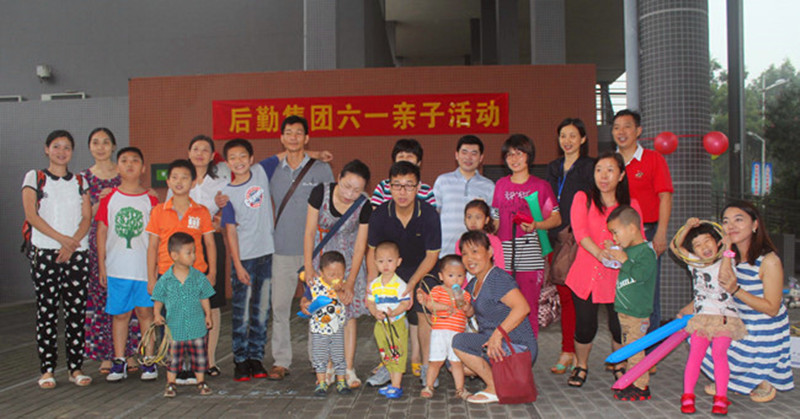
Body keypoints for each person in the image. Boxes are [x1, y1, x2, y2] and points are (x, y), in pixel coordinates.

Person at [680, 201, 794, 403]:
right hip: (735, 317)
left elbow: (772, 309)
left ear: (755, 225)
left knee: (720, 343)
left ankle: (760, 378)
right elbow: (713, 291)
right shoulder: (727, 257)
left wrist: (736, 290)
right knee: (698, 334)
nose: (731, 226)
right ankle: (730, 380)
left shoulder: (769, 261)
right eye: (726, 221)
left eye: (738, 220)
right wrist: (688, 310)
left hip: (763, 329)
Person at [564, 151, 643, 388]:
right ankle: (581, 365)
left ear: (621, 175)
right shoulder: (583, 199)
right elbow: (580, 233)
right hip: (586, 273)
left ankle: (619, 364)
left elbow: (638, 241)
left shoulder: (631, 205)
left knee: (619, 327)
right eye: (599, 170)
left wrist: (620, 248)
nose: (603, 176)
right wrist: (599, 253)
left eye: (610, 170)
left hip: (619, 277)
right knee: (585, 326)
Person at [265, 116, 334, 381]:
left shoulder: (322, 169)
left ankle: (318, 360)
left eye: (298, 133)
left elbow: (330, 206)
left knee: (317, 306)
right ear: (281, 138)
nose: (293, 137)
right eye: (288, 132)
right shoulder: (272, 169)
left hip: (314, 252)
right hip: (281, 249)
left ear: (306, 138)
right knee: (280, 307)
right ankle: (281, 361)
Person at [22, 129, 92, 389]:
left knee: (76, 313)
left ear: (72, 152)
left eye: (67, 147)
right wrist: (63, 240)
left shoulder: (80, 181)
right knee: (47, 312)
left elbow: (87, 217)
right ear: (46, 149)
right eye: (56, 146)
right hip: (46, 253)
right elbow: (32, 215)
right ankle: (47, 370)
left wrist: (72, 244)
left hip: (76, 254)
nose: (61, 152)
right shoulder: (35, 177)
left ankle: (76, 368)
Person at [366, 161, 441, 388]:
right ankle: (389, 366)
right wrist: (372, 284)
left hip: (422, 270)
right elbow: (372, 252)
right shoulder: (380, 214)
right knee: (385, 316)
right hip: (390, 270)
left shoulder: (429, 214)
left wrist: (412, 284)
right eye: (397, 185)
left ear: (418, 187)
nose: (403, 191)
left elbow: (432, 255)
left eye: (409, 185)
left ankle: (427, 367)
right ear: (389, 187)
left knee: (424, 312)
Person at [145, 159, 216, 384]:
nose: (179, 182)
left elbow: (210, 244)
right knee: (170, 323)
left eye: (185, 177)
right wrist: (151, 278)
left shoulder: (201, 211)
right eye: (174, 177)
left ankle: (194, 368)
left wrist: (212, 273)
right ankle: (174, 368)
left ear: (193, 182)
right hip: (167, 277)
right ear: (167, 181)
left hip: (195, 277)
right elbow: (152, 247)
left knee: (195, 322)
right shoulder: (158, 211)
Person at [303, 159, 372, 388]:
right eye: (346, 186)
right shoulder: (319, 193)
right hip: (322, 259)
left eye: (357, 190)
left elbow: (361, 245)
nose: (350, 194)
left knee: (348, 314)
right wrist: (309, 266)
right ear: (338, 178)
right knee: (324, 312)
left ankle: (348, 368)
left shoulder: (364, 205)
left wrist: (350, 282)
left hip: (349, 261)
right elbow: (309, 232)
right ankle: (328, 366)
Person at [96, 147, 160, 382]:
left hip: (144, 269)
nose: (130, 164)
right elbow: (102, 231)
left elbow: (157, 236)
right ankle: (119, 360)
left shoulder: (151, 199)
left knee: (145, 314)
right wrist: (102, 265)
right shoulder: (109, 198)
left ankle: (149, 360)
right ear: (117, 167)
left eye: (135, 160)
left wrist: (155, 270)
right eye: (124, 160)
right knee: (120, 315)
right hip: (117, 268)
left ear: (143, 168)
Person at [671, 218, 747, 415]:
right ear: (694, 251)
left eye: (707, 241)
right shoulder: (695, 263)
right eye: (697, 245)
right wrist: (687, 227)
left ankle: (720, 398)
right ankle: (688, 396)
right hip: (702, 318)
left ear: (717, 242)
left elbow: (725, 277)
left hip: (724, 319)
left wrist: (728, 250)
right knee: (695, 356)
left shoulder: (728, 260)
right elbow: (675, 246)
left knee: (719, 355)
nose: (704, 247)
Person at [80, 127, 140, 374]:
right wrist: (99, 203)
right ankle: (106, 354)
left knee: (130, 297)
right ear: (89, 147)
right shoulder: (83, 178)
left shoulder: (124, 170)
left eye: (106, 142)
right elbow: (82, 216)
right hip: (97, 244)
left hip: (126, 243)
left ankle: (131, 353)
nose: (101, 147)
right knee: (102, 298)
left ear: (114, 146)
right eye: (95, 142)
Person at [452, 231, 537, 404]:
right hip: (492, 341)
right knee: (456, 365)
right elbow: (473, 312)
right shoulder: (473, 284)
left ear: (490, 252)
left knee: (459, 342)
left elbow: (522, 308)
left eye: (475, 251)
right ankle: (508, 378)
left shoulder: (497, 278)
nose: (469, 258)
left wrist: (497, 335)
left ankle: (494, 387)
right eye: (465, 254)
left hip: (515, 343)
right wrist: (467, 309)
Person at [173, 134, 231, 377]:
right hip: (182, 248)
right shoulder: (179, 180)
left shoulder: (221, 183)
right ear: (188, 153)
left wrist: (220, 216)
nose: (199, 153)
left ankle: (209, 359)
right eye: (195, 149)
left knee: (211, 303)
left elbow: (230, 216)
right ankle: (187, 359)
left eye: (205, 149)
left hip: (210, 245)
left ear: (212, 155)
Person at [612, 109, 673, 339]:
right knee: (622, 291)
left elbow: (665, 197)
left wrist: (661, 233)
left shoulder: (653, 159)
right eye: (616, 127)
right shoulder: (611, 163)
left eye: (627, 126)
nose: (621, 132)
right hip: (617, 237)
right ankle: (626, 344)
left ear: (638, 131)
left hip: (646, 234)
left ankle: (650, 349)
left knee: (646, 293)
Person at [493, 134, 561, 337]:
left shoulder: (541, 186)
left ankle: (528, 352)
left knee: (529, 307)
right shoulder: (501, 185)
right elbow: (495, 220)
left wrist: (537, 225)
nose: (514, 159)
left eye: (519, 154)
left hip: (531, 255)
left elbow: (556, 218)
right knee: (504, 308)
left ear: (528, 156)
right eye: (509, 155)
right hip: (504, 255)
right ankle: (507, 350)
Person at [220, 139, 274, 382]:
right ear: (227, 163)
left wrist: (317, 153)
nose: (238, 161)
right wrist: (238, 264)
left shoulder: (261, 172)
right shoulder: (227, 194)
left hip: (267, 255)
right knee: (241, 313)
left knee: (261, 310)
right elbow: (230, 231)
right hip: (245, 259)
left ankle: (256, 358)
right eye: (233, 157)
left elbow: (285, 154)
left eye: (243, 156)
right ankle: (240, 360)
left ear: (251, 159)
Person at [545, 118, 594, 375]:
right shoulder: (553, 168)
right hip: (556, 239)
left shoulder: (590, 167)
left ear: (583, 139)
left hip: (581, 240)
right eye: (563, 135)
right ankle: (566, 350)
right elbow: (546, 204)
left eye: (573, 135)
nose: (567, 141)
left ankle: (580, 352)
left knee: (580, 297)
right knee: (564, 297)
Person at [152, 232, 216, 398]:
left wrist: (208, 315)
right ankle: (171, 383)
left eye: (194, 252)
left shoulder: (198, 277)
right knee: (173, 358)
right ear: (174, 256)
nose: (193, 256)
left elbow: (204, 297)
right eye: (189, 253)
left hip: (197, 326)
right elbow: (158, 298)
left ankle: (201, 381)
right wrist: (157, 314)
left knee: (199, 356)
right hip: (175, 328)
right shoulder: (165, 279)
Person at [604, 205, 658, 401]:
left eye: (615, 232)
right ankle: (633, 381)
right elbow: (615, 264)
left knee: (635, 351)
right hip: (625, 310)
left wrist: (624, 260)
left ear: (632, 228)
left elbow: (641, 275)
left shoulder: (646, 252)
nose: (614, 238)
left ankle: (640, 386)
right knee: (630, 349)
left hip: (637, 312)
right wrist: (611, 253)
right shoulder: (628, 250)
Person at [415, 255, 472, 399]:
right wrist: (446, 307)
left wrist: (467, 307)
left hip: (457, 334)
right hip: (439, 332)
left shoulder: (464, 294)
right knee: (435, 361)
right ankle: (429, 386)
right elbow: (430, 305)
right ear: (441, 276)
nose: (455, 280)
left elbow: (470, 313)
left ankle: (460, 389)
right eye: (451, 275)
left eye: (460, 276)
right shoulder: (438, 290)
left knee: (456, 362)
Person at [433, 135, 495, 256]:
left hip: (476, 255)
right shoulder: (442, 181)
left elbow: (492, 221)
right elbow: (434, 216)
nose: (468, 157)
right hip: (446, 252)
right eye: (464, 152)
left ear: (481, 158)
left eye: (474, 153)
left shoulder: (489, 186)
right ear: (456, 155)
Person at [300, 251, 351, 397]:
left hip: (336, 328)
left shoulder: (344, 286)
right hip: (319, 329)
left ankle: (341, 381)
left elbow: (346, 299)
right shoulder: (315, 285)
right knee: (319, 356)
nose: (336, 278)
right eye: (331, 274)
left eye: (340, 274)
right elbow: (305, 299)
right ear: (321, 273)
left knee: (338, 355)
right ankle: (321, 382)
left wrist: (339, 291)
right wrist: (305, 304)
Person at [366, 241, 412, 399]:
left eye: (390, 261)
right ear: (375, 262)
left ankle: (396, 386)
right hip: (381, 325)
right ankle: (392, 383)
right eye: (381, 261)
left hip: (396, 324)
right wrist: (375, 312)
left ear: (398, 262)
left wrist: (395, 312)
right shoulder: (374, 285)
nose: (385, 265)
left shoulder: (400, 284)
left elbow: (405, 303)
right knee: (385, 353)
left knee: (397, 353)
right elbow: (371, 302)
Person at [371, 138, 436, 211]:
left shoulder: (427, 191)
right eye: (401, 156)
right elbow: (375, 213)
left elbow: (431, 215)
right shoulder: (383, 186)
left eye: (410, 156)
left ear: (419, 163)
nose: (405, 159)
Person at [455, 199, 504, 270]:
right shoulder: (460, 242)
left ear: (486, 220)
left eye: (478, 217)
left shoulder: (494, 241)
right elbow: (459, 268)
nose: (473, 222)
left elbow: (500, 266)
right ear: (464, 219)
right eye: (469, 217)